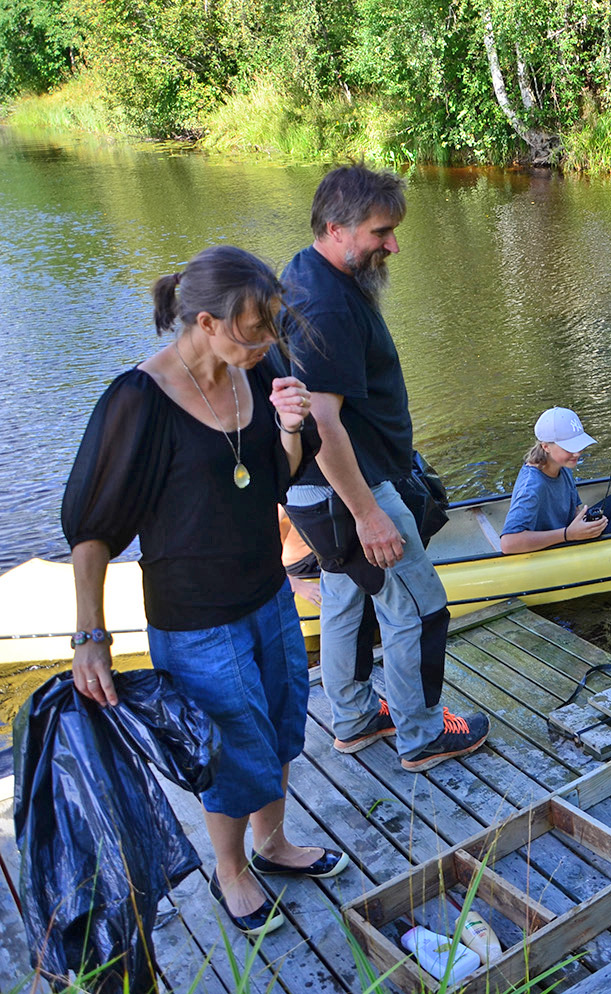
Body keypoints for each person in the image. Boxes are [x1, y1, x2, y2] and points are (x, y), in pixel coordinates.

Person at [62, 245, 346, 939]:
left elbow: (276, 480)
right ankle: (232, 871)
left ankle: (272, 845)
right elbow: (91, 531)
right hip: (194, 619)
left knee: (280, 723)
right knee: (225, 747)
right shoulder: (139, 401)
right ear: (206, 322)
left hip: (267, 595)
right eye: (255, 329)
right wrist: (90, 637)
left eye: (272, 326)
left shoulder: (262, 369)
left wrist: (287, 426)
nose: (270, 343)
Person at [281, 164, 488, 774]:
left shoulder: (304, 272)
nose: (393, 245)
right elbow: (321, 422)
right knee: (419, 607)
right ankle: (422, 735)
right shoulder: (327, 307)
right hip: (349, 492)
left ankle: (352, 718)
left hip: (316, 497)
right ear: (336, 227)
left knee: (346, 596)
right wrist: (370, 513)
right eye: (381, 232)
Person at [499, 408, 611, 553]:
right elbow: (508, 543)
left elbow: (574, 508)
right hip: (555, 545)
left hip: (568, 531)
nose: (576, 453)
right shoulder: (532, 486)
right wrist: (568, 534)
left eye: (578, 445)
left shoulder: (562, 464)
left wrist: (587, 523)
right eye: (568, 447)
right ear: (546, 447)